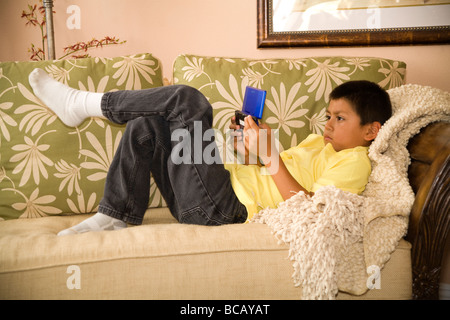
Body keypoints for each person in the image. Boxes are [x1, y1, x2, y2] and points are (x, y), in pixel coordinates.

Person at [28, 69, 392, 236]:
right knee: (147, 128)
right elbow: (270, 177)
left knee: (188, 101)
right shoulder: (319, 143)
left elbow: (314, 209)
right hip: (210, 193)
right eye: (328, 115)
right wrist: (251, 147)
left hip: (225, 210)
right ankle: (116, 213)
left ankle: (82, 104)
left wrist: (271, 157)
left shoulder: (354, 162)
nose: (328, 124)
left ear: (371, 130)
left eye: (340, 118)